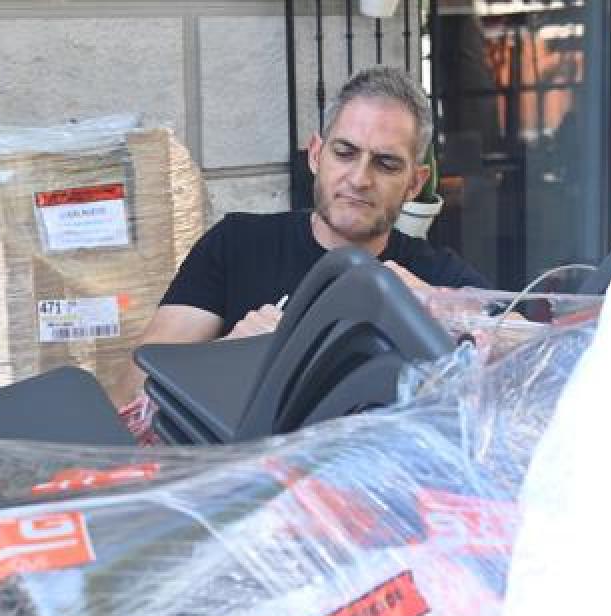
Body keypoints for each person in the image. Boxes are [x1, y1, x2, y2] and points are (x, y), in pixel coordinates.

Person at [114, 67, 488, 407]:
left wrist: (433, 308)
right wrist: (229, 357)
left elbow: (531, 357)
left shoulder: (438, 275)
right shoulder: (238, 245)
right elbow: (133, 393)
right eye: (345, 153)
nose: (359, 179)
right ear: (315, 156)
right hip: (250, 476)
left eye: (386, 163)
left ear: (414, 183)